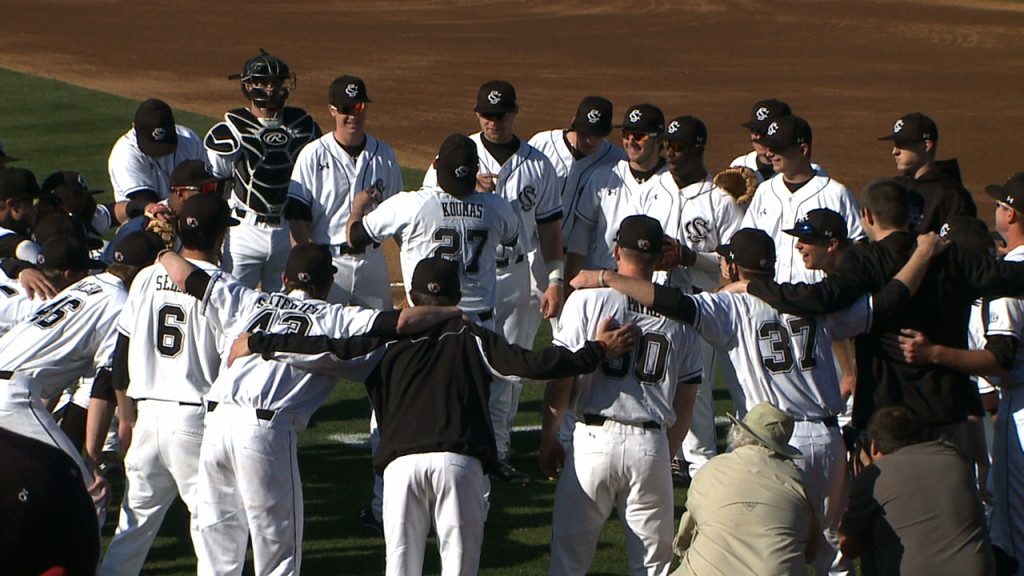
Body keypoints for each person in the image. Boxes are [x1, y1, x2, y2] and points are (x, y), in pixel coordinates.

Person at [227, 255, 639, 576]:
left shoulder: (382, 340)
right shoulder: (472, 336)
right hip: (460, 466)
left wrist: (261, 342)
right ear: (457, 299)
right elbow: (536, 364)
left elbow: (326, 347)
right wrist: (598, 350)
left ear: (410, 297)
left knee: (400, 568)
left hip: (400, 469)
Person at [572, 226, 940, 576]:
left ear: (732, 266)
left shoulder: (731, 309)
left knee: (765, 544)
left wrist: (607, 278)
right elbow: (887, 302)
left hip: (771, 448)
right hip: (826, 440)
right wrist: (922, 254)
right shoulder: (808, 298)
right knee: (831, 549)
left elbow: (671, 301)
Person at [154, 243, 458, 576]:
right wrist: (452, 311)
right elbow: (401, 322)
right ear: (327, 284)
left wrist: (163, 252)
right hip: (263, 432)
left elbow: (185, 275)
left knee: (217, 551)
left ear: (285, 278)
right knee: (278, 555)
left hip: (215, 426)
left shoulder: (247, 301)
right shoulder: (336, 316)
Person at [746, 178, 1024, 450]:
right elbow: (1014, 276)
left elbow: (820, 298)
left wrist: (753, 285)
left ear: (867, 215)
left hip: (886, 413)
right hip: (946, 407)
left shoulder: (866, 259)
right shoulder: (951, 255)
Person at [543, 215, 703, 576]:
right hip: (651, 444)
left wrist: (548, 436)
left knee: (568, 562)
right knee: (653, 568)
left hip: (592, 442)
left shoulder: (587, 301)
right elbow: (687, 400)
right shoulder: (680, 313)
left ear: (616, 250)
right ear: (661, 258)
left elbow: (562, 378)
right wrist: (664, 453)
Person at [424, 80, 565, 482]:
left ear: (514, 113)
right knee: (457, 364)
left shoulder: (538, 165)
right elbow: (429, 208)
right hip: (468, 280)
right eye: (486, 115)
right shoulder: (455, 154)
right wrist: (469, 192)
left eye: (501, 115)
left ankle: (498, 453)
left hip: (517, 275)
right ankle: (454, 444)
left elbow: (550, 228)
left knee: (512, 367)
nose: (493, 122)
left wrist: (555, 279)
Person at [98, 195, 239, 575]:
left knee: (133, 528)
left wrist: (126, 417)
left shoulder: (144, 276)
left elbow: (121, 352)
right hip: (194, 422)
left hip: (146, 418)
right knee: (216, 525)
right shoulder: (221, 286)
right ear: (221, 237)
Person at [896, 174, 1024, 570]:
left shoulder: (1007, 275)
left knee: (1012, 530)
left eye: (1002, 204)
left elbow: (1001, 357)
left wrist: (935, 353)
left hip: (1019, 408)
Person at [0, 230, 164, 513]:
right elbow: (103, 386)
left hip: (14, 387)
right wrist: (90, 459)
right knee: (92, 492)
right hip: (12, 395)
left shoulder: (86, 284)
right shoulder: (120, 305)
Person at [641, 114, 746, 478]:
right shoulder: (653, 189)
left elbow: (733, 262)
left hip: (701, 303)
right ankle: (666, 454)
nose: (670, 154)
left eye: (679, 147)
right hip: (655, 300)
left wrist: (689, 256)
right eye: (667, 145)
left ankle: (701, 464)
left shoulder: (720, 199)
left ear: (698, 148)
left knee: (695, 387)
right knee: (654, 378)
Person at [205, 50, 320, 291]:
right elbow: (215, 187)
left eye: (277, 82)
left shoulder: (304, 128)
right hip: (243, 231)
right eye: (264, 82)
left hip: (286, 231)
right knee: (231, 303)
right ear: (248, 86)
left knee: (282, 308)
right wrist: (213, 238)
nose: (272, 88)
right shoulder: (231, 130)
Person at [288, 74, 403, 309]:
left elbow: (399, 214)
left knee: (378, 335)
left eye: (359, 107)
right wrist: (306, 261)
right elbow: (297, 217)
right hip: (329, 262)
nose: (353, 116)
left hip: (372, 262)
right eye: (345, 109)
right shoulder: (313, 154)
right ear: (332, 110)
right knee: (323, 335)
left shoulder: (384, 154)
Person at [840, 405, 995, 576]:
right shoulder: (954, 459)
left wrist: (866, 478)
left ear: (874, 446)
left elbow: (849, 547)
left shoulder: (873, 478)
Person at [671, 402, 821, 576]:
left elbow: (684, 539)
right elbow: (810, 551)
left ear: (738, 433)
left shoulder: (710, 470)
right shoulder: (801, 481)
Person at [739, 114, 864, 284]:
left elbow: (857, 245)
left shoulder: (836, 193)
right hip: (770, 296)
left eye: (778, 148)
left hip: (817, 298)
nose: (770, 154)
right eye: (769, 147)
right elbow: (747, 240)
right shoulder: (765, 190)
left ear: (803, 149)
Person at [567, 103, 667, 280]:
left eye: (639, 136)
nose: (630, 141)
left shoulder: (671, 184)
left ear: (659, 140)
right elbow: (582, 230)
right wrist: (570, 279)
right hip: (602, 277)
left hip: (650, 284)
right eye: (626, 134)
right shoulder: (603, 176)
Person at [528, 96, 626, 248]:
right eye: (585, 132)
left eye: (596, 134)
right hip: (537, 249)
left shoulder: (617, 160)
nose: (589, 139)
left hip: (585, 256)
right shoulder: (542, 144)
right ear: (573, 122)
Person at [108, 98, 206, 223]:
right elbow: (145, 202)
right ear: (134, 127)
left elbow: (206, 181)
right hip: (143, 230)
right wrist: (186, 195)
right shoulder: (124, 153)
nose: (160, 153)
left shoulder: (189, 139)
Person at [879, 112, 976, 234]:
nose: (895, 151)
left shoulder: (952, 195)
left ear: (926, 146)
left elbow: (959, 244)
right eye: (895, 145)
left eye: (902, 144)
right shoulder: (895, 187)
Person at [729, 98, 825, 184]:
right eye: (754, 130)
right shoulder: (739, 165)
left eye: (764, 130)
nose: (758, 136)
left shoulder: (808, 172)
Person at [0, 166, 43, 263]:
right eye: (34, 201)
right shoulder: (20, 245)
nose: (39, 208)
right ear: (12, 204)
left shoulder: (22, 231)